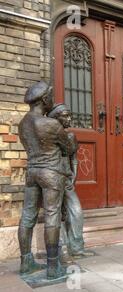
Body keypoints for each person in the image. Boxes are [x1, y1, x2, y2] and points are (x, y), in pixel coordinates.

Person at [18, 82, 76, 280]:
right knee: (52, 215)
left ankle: (26, 262)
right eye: (51, 96)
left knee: (27, 216)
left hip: (32, 172)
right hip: (51, 173)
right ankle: (53, 267)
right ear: (44, 100)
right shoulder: (51, 124)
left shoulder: (23, 123)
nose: (52, 99)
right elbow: (68, 149)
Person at [47, 104, 94, 259]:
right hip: (52, 179)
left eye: (69, 115)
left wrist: (74, 175)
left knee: (76, 211)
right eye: (65, 116)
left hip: (66, 179)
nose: (69, 119)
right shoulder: (47, 136)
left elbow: (73, 158)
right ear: (55, 119)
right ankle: (61, 249)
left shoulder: (70, 136)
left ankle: (77, 247)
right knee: (56, 214)